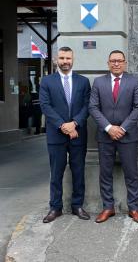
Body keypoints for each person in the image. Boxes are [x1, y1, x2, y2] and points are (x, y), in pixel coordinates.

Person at [89, 50, 138, 224]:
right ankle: (108, 207)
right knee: (105, 173)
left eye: (119, 61)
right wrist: (108, 128)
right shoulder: (98, 82)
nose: (116, 64)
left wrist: (121, 128)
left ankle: (134, 208)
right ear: (108, 63)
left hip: (128, 136)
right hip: (105, 136)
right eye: (113, 61)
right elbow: (93, 107)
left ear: (124, 63)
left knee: (131, 173)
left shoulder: (134, 81)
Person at [39, 46, 91, 223]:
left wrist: (74, 123)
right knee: (56, 173)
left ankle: (77, 206)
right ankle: (55, 207)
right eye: (61, 58)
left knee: (78, 172)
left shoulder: (83, 82)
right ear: (56, 60)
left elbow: (87, 106)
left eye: (68, 58)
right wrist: (63, 125)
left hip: (78, 135)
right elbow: (45, 106)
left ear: (73, 59)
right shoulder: (47, 81)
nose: (65, 61)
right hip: (56, 135)